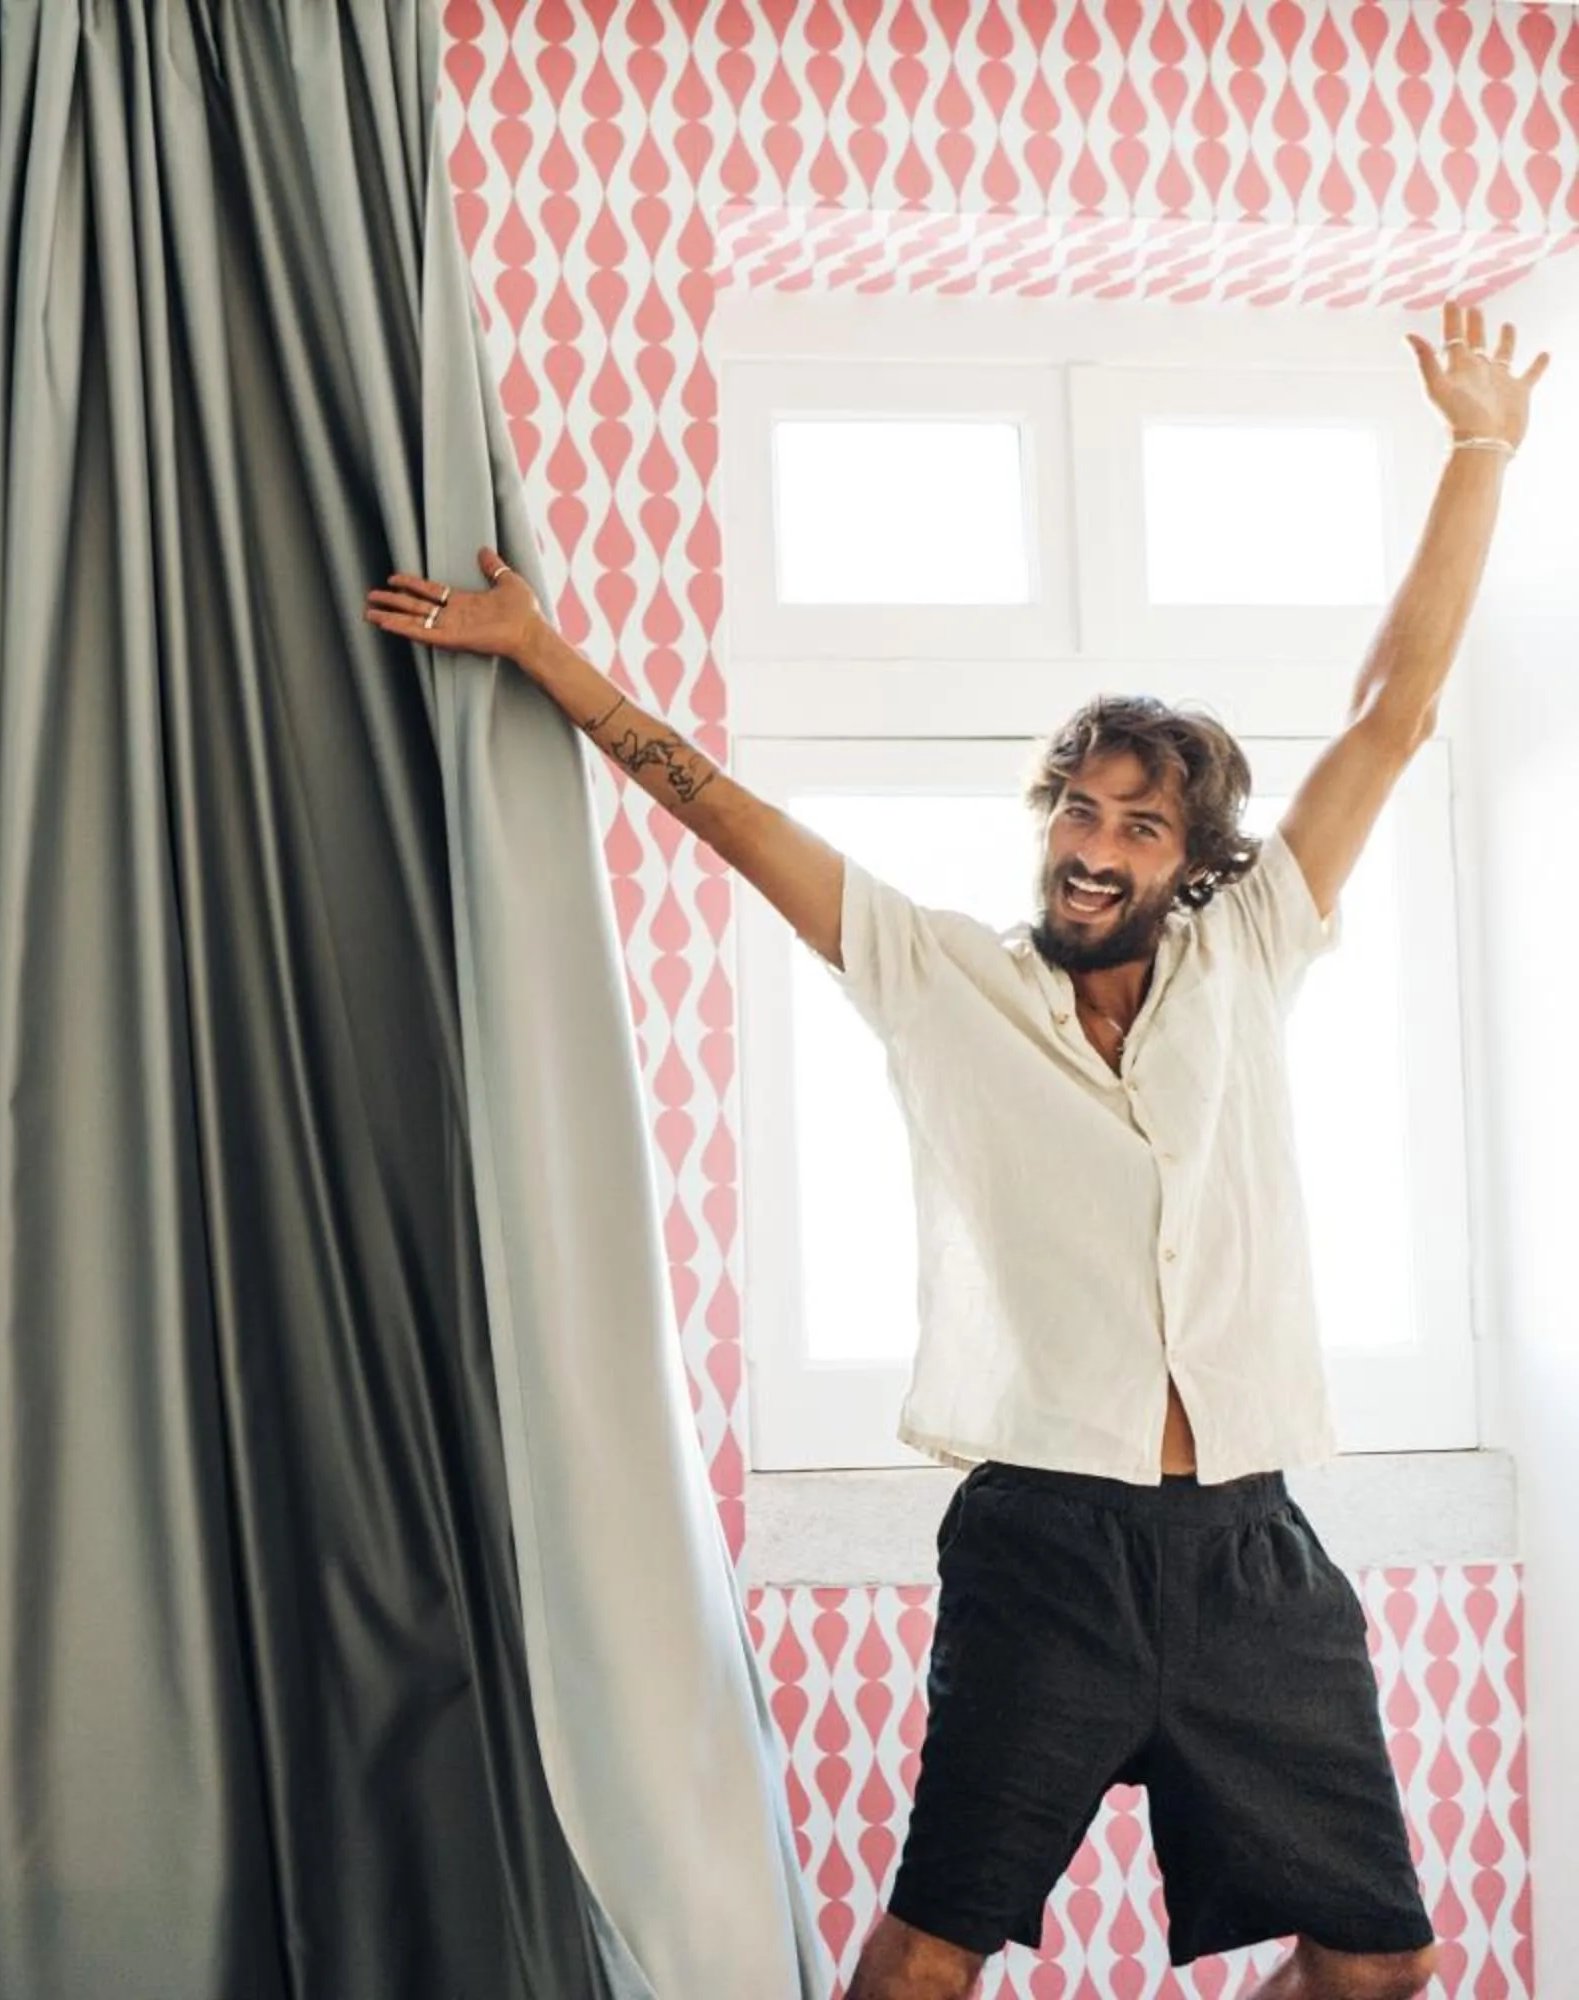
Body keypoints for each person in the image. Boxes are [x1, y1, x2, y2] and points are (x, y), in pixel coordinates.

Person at [368, 304, 1546, 2000]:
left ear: (1188, 864)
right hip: (1046, 1549)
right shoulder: (942, 978)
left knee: (1384, 1962)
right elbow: (719, 807)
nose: (1094, 846)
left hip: (1250, 1549)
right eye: (1076, 806)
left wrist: (1481, 445)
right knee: (931, 1960)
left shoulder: (1253, 952)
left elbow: (1396, 713)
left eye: (1137, 825)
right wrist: (545, 656)